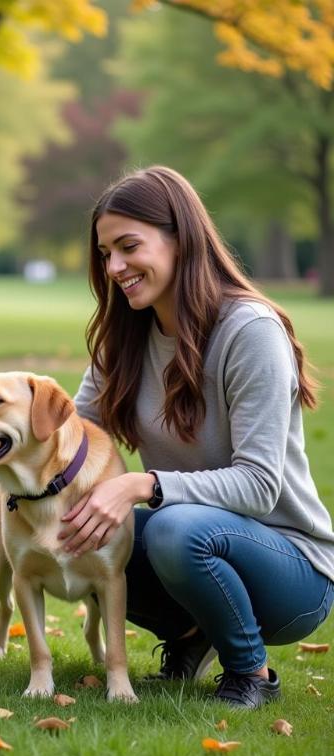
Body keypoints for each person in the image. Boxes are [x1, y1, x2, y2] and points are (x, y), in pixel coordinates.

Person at [60, 166, 334, 709]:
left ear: (180, 238)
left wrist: (141, 484)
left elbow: (258, 486)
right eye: (105, 253)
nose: (114, 266)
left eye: (128, 246)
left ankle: (250, 673)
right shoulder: (126, 337)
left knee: (173, 530)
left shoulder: (249, 331)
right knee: (78, 529)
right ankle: (191, 636)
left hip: (293, 570)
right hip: (193, 541)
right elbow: (72, 435)